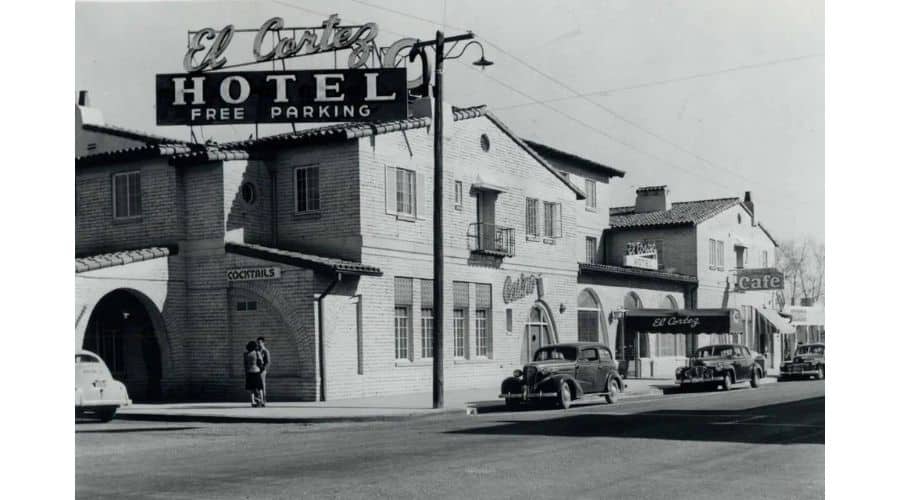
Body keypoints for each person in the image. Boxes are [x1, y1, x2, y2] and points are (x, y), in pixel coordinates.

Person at [244, 341, 264, 407]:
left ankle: (253, 402)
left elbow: (245, 365)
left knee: (251, 389)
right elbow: (261, 361)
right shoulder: (257, 353)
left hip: (250, 371)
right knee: (260, 387)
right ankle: (262, 401)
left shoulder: (246, 354)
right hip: (257, 371)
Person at [256, 337, 270, 405]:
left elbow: (268, 362)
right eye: (258, 342)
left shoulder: (265, 351)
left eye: (260, 342)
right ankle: (258, 399)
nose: (258, 344)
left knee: (262, 385)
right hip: (257, 370)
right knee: (257, 385)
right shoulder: (257, 351)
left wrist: (263, 369)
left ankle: (264, 400)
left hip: (262, 371)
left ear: (263, 342)